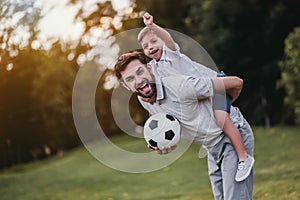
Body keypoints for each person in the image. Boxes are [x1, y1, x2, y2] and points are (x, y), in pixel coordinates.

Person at [114, 51, 254, 199]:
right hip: (212, 147)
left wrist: (223, 112)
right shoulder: (144, 100)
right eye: (130, 78)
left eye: (140, 72)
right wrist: (166, 143)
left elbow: (236, 82)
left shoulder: (180, 86)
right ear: (125, 85)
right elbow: (175, 124)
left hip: (230, 137)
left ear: (149, 69)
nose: (138, 80)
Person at [137, 12, 254, 182]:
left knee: (221, 117)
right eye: (146, 46)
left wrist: (152, 26)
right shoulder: (154, 67)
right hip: (203, 93)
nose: (151, 47)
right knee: (219, 115)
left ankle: (243, 157)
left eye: (154, 41)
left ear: (161, 40)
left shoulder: (171, 54)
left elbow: (168, 38)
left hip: (215, 85)